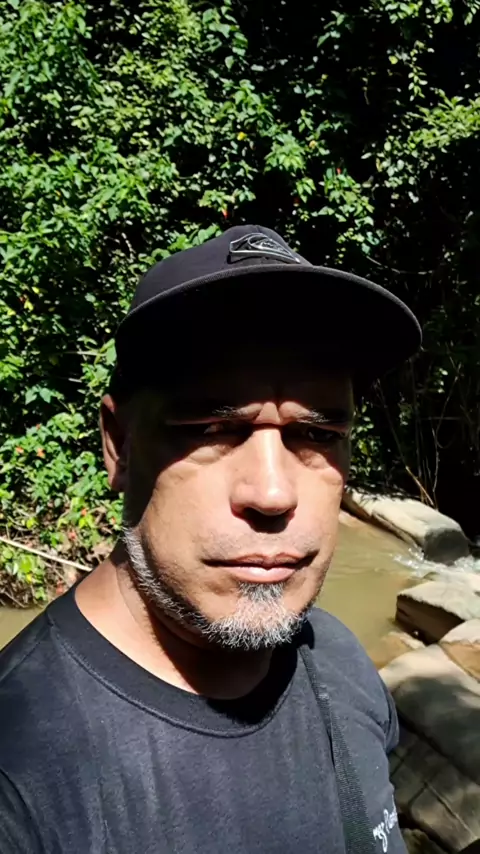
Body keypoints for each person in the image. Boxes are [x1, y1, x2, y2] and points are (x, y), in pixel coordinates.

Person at [0, 225, 421, 854]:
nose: (273, 494)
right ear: (119, 445)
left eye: (318, 435)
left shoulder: (338, 659)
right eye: (212, 428)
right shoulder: (22, 768)